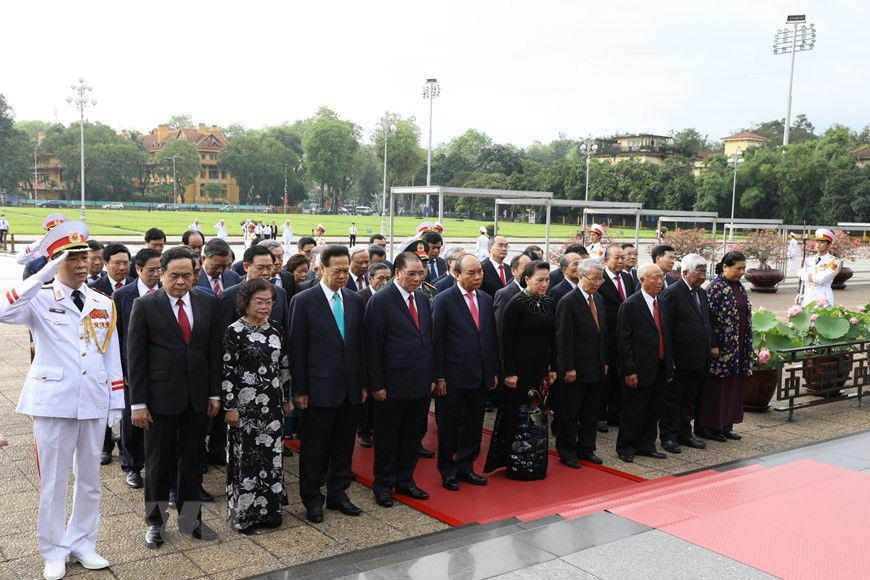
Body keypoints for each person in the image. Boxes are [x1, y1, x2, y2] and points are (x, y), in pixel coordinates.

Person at [0, 221, 122, 580]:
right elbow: (4, 311)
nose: (83, 264)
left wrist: (117, 400)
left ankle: (83, 543)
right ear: (56, 263)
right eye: (72, 259)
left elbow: (111, 354)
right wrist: (43, 275)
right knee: (53, 481)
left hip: (94, 399)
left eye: (85, 257)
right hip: (53, 400)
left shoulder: (103, 303)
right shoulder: (37, 299)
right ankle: (53, 550)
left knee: (90, 479)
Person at [128, 247, 222, 548]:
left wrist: (214, 393)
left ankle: (189, 518)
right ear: (161, 274)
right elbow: (136, 358)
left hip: (196, 398)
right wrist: (138, 403)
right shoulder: (145, 305)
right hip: (159, 400)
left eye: (187, 275)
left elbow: (212, 352)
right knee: (158, 464)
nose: (181, 282)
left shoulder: (207, 302)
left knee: (193, 462)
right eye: (174, 276)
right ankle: (154, 522)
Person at [289, 245, 367, 523]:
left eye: (347, 271)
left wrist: (363, 383)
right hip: (318, 389)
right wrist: (299, 390)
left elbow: (360, 347)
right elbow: (297, 348)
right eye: (337, 271)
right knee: (314, 448)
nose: (343, 276)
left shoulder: (356, 300)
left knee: (344, 445)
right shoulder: (304, 300)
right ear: (321, 268)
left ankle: (338, 493)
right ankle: (312, 499)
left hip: (350, 388)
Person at [365, 252, 435, 507]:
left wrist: (432, 376)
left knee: (413, 434)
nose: (417, 279)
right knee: (387, 436)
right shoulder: (382, 300)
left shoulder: (423, 299)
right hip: (392, 383)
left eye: (421, 274)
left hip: (419, 381)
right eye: (411, 274)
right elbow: (372, 346)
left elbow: (427, 339)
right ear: (397, 273)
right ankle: (383, 483)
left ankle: (405, 479)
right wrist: (377, 384)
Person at [222, 278, 291, 534]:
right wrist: (230, 407)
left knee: (271, 459)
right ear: (246, 303)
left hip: (272, 405)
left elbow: (283, 366)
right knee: (247, 460)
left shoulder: (276, 329)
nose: (265, 307)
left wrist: (285, 399)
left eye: (269, 302)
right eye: (259, 302)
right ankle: (245, 516)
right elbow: (228, 371)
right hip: (245, 406)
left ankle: (270, 512)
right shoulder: (234, 331)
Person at [431, 255, 499, 491]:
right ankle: (448, 470)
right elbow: (436, 341)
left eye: (480, 271)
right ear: (457, 274)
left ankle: (466, 467)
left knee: (473, 424)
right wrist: (438, 376)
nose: (478, 276)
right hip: (453, 375)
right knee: (449, 426)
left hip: (480, 375)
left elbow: (490, 337)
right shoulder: (444, 300)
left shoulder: (486, 298)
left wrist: (492, 372)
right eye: (471, 273)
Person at [485, 260, 556, 479]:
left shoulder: (548, 302)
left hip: (540, 371)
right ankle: (519, 465)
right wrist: (509, 372)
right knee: (522, 417)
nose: (544, 284)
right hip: (520, 372)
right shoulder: (515, 303)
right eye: (539, 280)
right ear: (527, 279)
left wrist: (553, 367)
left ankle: (537, 464)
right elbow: (505, 340)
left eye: (547, 280)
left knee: (539, 418)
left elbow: (553, 337)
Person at [113, 248, 163, 489]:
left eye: (160, 270)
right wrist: (121, 370)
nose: (156, 274)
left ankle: (158, 465)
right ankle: (133, 466)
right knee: (133, 420)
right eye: (151, 270)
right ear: (138, 269)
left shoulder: (168, 292)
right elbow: (117, 337)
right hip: (131, 369)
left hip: (162, 369)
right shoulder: (123, 296)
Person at [615, 263, 673, 463]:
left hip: (660, 364)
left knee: (654, 408)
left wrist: (669, 365)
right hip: (638, 368)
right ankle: (626, 446)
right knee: (634, 409)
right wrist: (629, 370)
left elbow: (666, 334)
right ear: (642, 280)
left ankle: (647, 445)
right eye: (655, 278)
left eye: (661, 277)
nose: (660, 282)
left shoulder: (662, 302)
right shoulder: (630, 305)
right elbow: (624, 341)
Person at [554, 259, 608, 468]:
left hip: (595, 366)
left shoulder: (599, 300)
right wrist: (568, 367)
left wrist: (604, 361)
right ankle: (567, 450)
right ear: (581, 276)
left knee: (591, 411)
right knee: (570, 411)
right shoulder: (568, 301)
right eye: (594, 279)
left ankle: (586, 447)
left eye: (600, 279)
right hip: (575, 368)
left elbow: (602, 334)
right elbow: (563, 338)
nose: (597, 283)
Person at [658, 254, 712, 454]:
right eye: (699, 272)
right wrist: (669, 358)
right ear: (685, 273)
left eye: (705, 273)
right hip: (680, 358)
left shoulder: (702, 293)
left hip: (698, 357)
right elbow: (666, 329)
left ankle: (684, 433)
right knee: (673, 399)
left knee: (689, 398)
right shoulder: (672, 293)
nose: (702, 277)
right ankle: (668, 436)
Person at [696, 251, 752, 443]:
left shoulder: (738, 286)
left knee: (733, 386)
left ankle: (727, 424)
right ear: (725, 267)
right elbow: (707, 320)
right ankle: (711, 427)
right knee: (717, 388)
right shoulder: (715, 288)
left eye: (744, 268)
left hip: (738, 346)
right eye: (738, 268)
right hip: (720, 348)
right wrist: (713, 345)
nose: (741, 272)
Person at [598, 245, 636, 432]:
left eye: (623, 258)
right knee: (604, 379)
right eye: (617, 258)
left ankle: (616, 413)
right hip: (607, 336)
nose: (621, 261)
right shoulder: (600, 279)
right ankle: (600, 415)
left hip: (625, 337)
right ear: (605, 260)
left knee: (619, 378)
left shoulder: (628, 278)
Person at [798, 228, 841, 307]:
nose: (818, 244)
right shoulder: (808, 260)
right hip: (807, 296)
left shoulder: (833, 261)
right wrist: (799, 295)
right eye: (817, 242)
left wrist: (806, 275)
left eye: (822, 242)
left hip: (823, 296)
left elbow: (822, 279)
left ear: (829, 245)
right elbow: (800, 276)